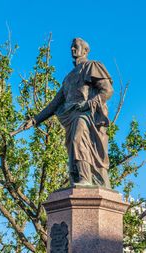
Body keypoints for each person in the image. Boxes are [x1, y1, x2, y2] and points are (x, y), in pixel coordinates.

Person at [24, 38, 113, 188]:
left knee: (78, 139)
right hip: (70, 115)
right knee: (72, 147)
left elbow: (108, 90)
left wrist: (90, 103)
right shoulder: (68, 78)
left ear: (85, 51)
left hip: (87, 114)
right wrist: (35, 120)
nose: (72, 49)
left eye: (76, 47)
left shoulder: (92, 66)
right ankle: (77, 179)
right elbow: (55, 103)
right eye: (71, 47)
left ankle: (85, 178)